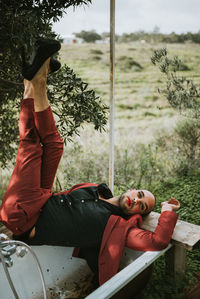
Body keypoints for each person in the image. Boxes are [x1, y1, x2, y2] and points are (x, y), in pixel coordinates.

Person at [0, 39, 180, 286]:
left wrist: (168, 213)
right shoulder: (98, 190)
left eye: (141, 206)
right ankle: (34, 80)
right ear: (131, 189)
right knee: (54, 146)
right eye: (139, 194)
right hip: (40, 198)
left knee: (30, 145)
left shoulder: (118, 227)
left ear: (137, 215)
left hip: (22, 216)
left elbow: (156, 242)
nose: (136, 200)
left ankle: (34, 81)